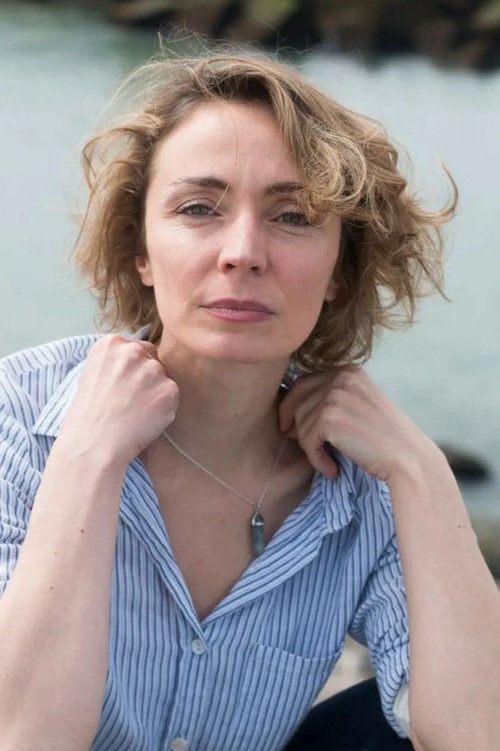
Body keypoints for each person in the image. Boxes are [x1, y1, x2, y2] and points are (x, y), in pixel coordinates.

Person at [0, 47, 499, 751]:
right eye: (198, 208)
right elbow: (25, 737)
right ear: (141, 249)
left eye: (292, 216)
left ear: (339, 268)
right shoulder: (19, 419)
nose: (243, 251)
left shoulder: (364, 486)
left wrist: (422, 472)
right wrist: (87, 458)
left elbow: (473, 733)